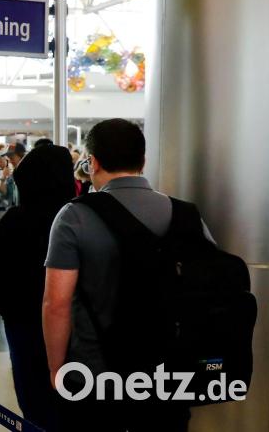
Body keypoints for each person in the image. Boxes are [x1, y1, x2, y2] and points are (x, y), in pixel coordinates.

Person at [43, 119, 200, 432]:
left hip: (95, 372)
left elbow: (56, 303)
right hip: (169, 370)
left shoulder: (74, 215)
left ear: (94, 162)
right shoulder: (185, 214)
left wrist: (56, 368)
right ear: (143, 161)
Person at [0, 145, 75, 431]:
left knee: (33, 396)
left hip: (23, 324)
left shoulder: (16, 221)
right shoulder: (80, 218)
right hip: (77, 327)